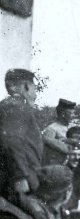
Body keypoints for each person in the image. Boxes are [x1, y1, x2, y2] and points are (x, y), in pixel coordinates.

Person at [0, 68, 42, 208]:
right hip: (21, 183)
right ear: (26, 86)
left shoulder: (9, 106)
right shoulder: (17, 106)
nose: (35, 95)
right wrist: (20, 177)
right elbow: (11, 140)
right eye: (34, 89)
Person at [42, 98, 76, 165]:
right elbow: (47, 153)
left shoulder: (73, 126)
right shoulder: (51, 129)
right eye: (71, 114)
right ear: (63, 114)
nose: (74, 116)